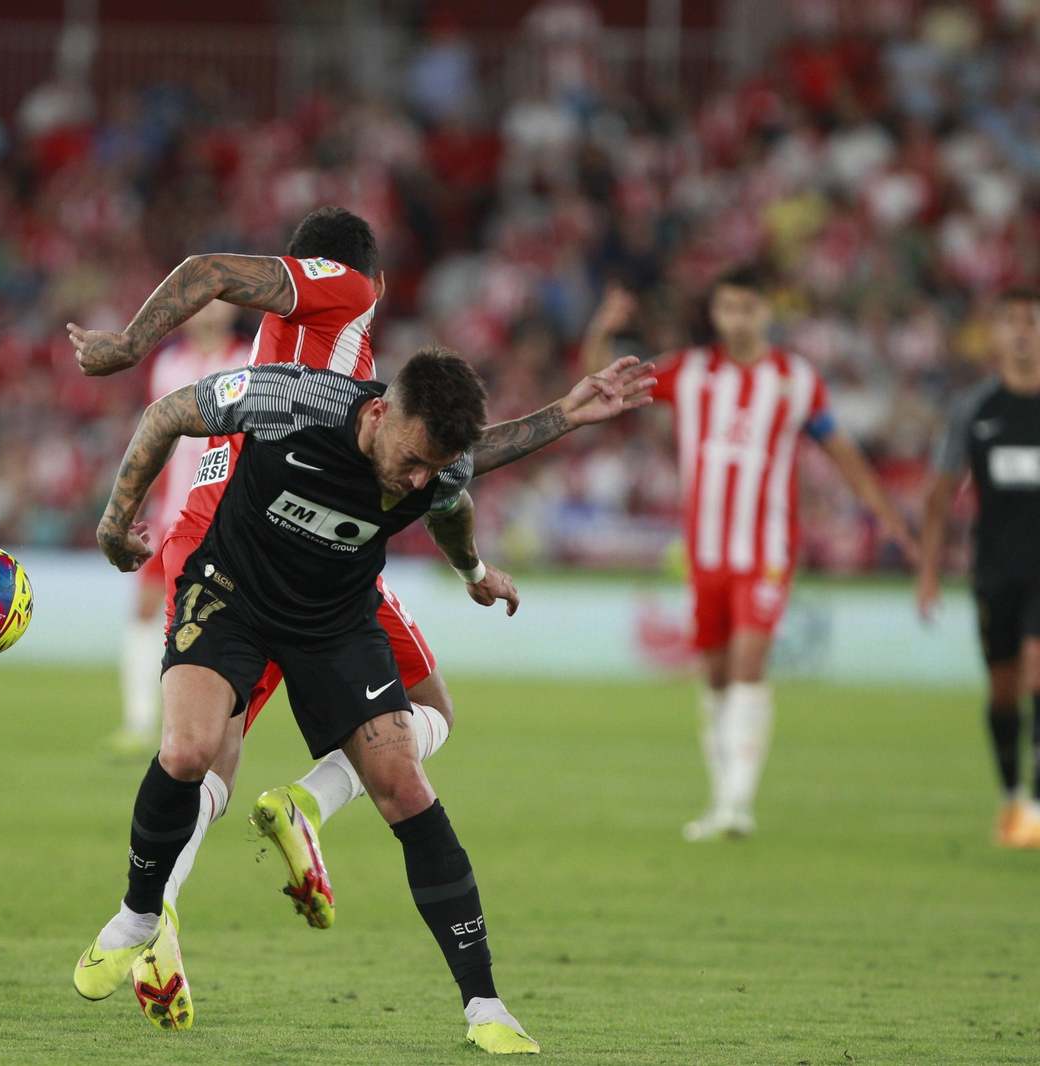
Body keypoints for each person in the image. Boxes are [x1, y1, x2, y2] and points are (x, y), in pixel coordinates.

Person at [69, 206, 650, 1030]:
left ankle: (470, 995)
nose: (419, 476)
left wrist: (534, 461)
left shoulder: (401, 421)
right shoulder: (338, 298)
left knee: (233, 760)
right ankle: (156, 908)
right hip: (242, 540)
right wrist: (127, 348)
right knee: (209, 748)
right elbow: (207, 276)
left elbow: (458, 473)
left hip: (319, 568)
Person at [74, 350, 540, 1053]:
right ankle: (138, 917)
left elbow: (452, 505)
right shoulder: (289, 398)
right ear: (380, 411)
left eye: (431, 467)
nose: (418, 477)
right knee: (189, 750)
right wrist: (116, 521)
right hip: (231, 591)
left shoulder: (439, 466)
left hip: (334, 619)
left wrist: (473, 569)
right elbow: (167, 411)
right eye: (412, 458)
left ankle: (486, 1005)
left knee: (406, 787)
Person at [582, 267, 917, 841]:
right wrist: (603, 329)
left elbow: (840, 449)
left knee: (748, 663)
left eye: (748, 308)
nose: (737, 318)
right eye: (728, 307)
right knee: (713, 675)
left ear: (767, 312)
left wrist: (883, 512)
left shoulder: (795, 380)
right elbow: (600, 384)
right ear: (715, 313)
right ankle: (721, 800)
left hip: (766, 549)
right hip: (705, 553)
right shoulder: (688, 371)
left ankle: (738, 803)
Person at [918, 289, 1040, 847]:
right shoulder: (975, 408)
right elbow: (939, 497)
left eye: (1032, 322)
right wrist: (928, 572)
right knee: (1003, 691)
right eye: (1012, 322)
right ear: (995, 335)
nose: (1022, 332)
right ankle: (1012, 797)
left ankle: (1036, 804)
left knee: (1038, 670)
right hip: (994, 568)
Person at [116, 300, 250, 754]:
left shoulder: (249, 360)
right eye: (201, 305)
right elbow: (159, 445)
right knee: (148, 612)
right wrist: (144, 505)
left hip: (227, 520)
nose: (209, 314)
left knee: (212, 626)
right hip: (172, 515)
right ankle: (138, 724)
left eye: (219, 304)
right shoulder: (169, 364)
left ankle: (201, 729)